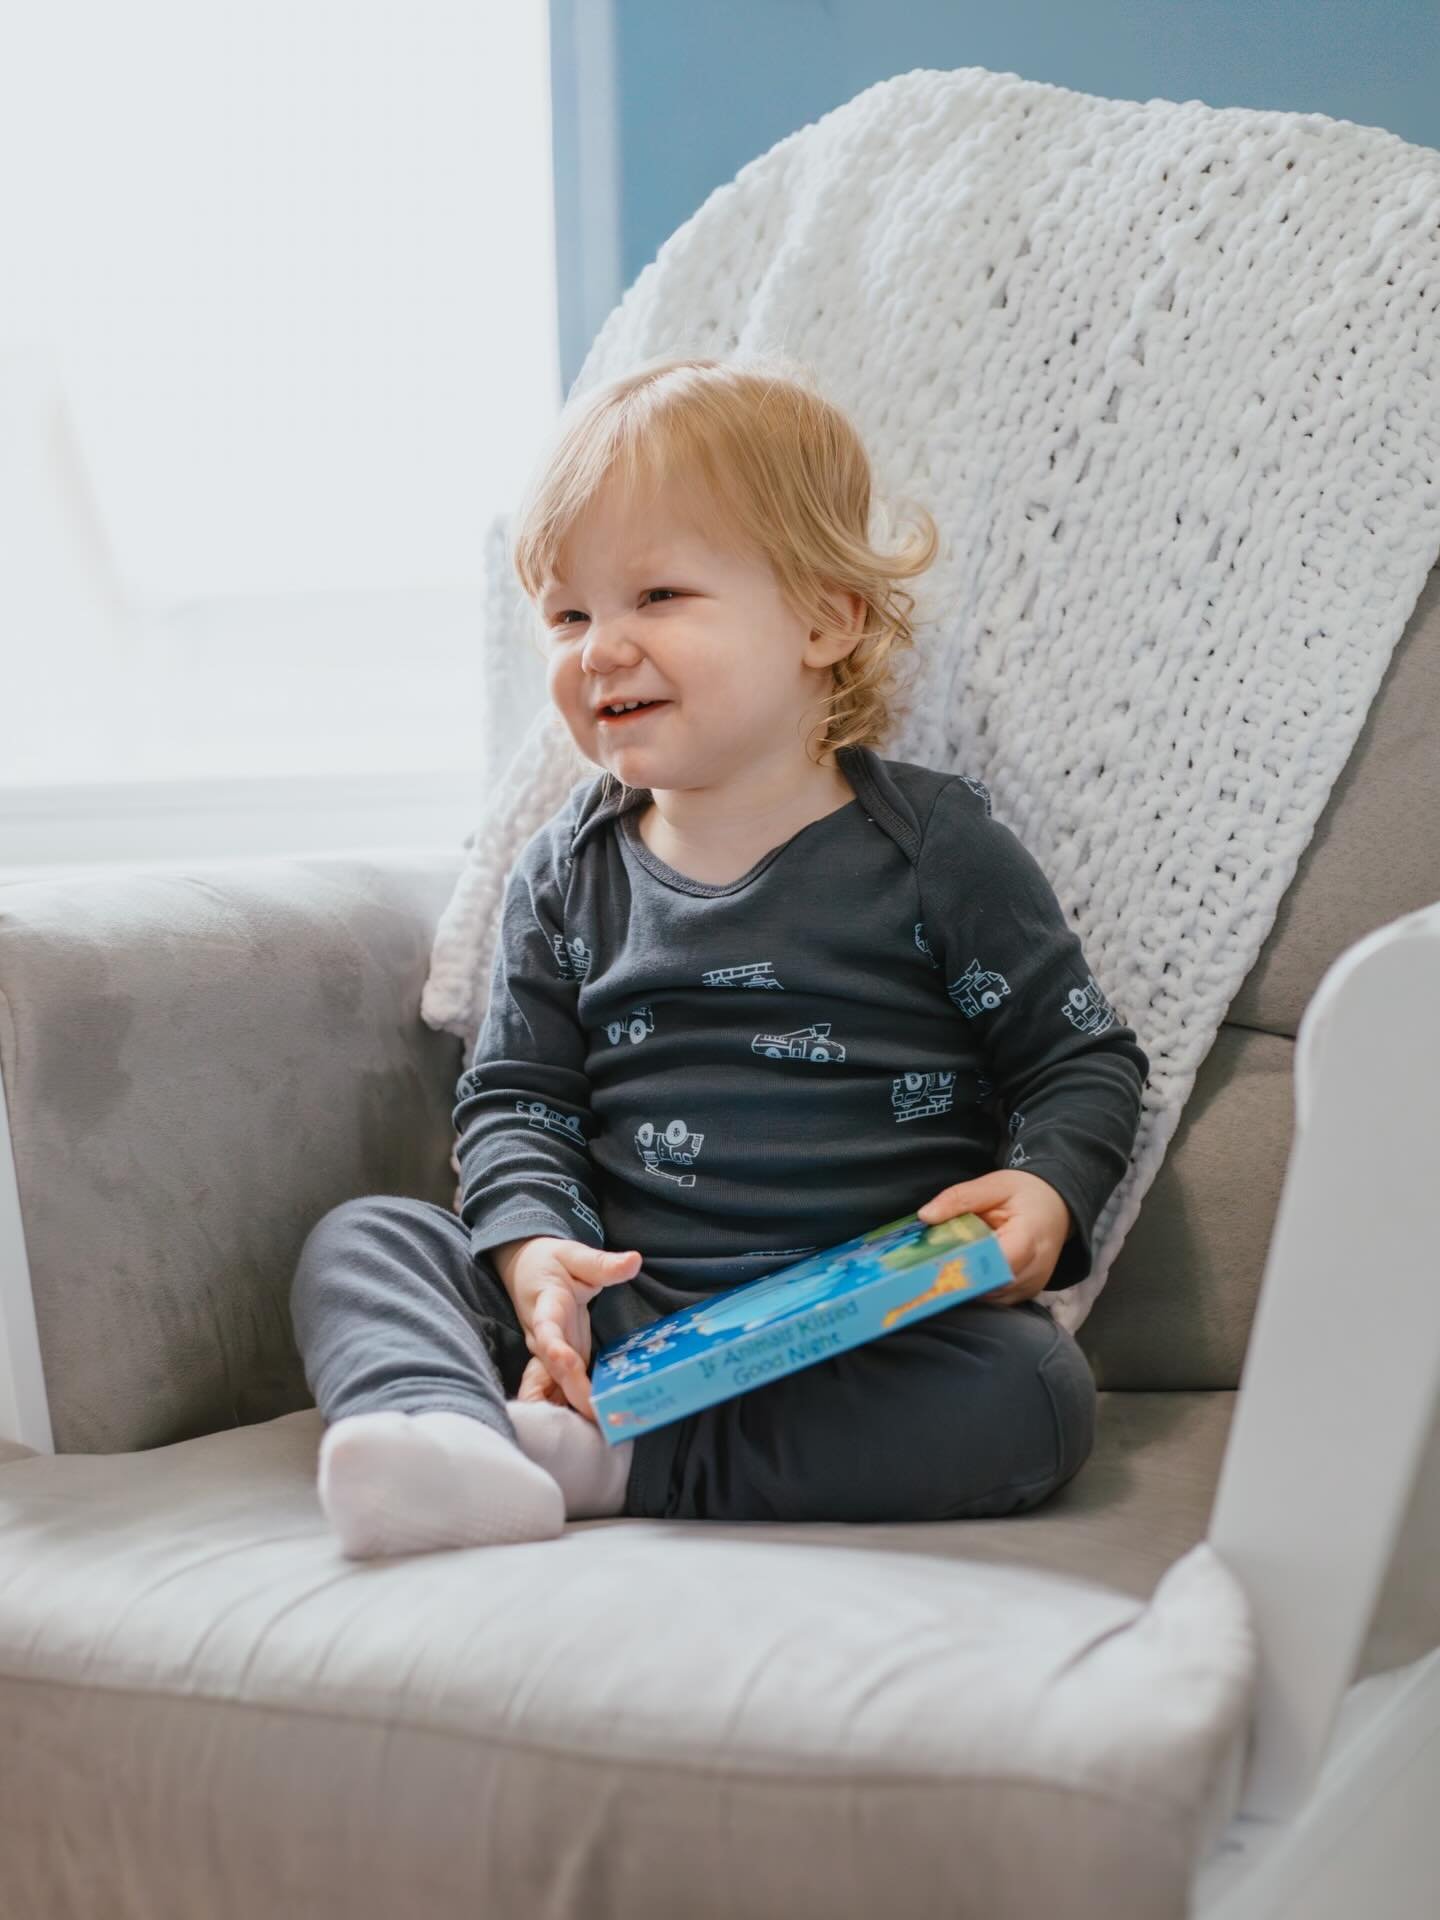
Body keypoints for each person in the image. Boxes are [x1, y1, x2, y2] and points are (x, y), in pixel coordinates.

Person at [290, 353, 1150, 1559]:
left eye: (658, 597)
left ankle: (615, 1461)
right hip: (614, 1309)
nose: (599, 648)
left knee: (1034, 1397)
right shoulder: (565, 873)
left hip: (849, 1323)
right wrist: (537, 1256)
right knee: (368, 1239)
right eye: (569, 613)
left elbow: (1078, 1059)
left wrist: (1051, 1189)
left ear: (825, 617)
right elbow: (515, 1099)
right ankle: (439, 1435)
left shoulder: (930, 848)